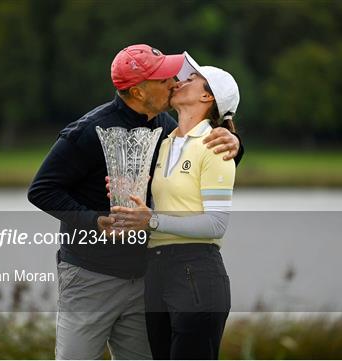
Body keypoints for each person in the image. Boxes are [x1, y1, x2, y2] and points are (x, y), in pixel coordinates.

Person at [27, 44, 243, 360]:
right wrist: (95, 221)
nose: (174, 82)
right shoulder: (88, 131)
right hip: (90, 276)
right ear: (139, 92)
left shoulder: (166, 127)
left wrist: (235, 142)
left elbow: (209, 154)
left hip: (145, 280)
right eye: (164, 79)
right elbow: (42, 190)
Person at [110, 53, 239, 360]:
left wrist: (151, 220)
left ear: (207, 96)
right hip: (156, 272)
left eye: (192, 79)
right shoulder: (164, 140)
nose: (180, 81)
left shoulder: (215, 144)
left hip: (196, 272)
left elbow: (217, 223)